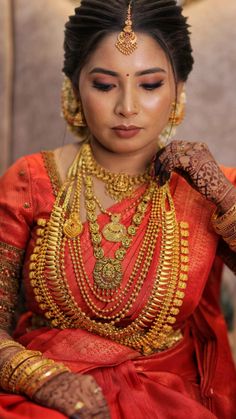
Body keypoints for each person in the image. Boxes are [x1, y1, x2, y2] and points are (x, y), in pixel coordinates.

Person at [0, 0, 235, 418]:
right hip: (47, 391)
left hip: (169, 396)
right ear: (74, 89)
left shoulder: (208, 189)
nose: (127, 107)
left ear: (178, 89)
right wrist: (44, 379)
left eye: (150, 85)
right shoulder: (31, 181)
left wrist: (224, 197)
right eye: (105, 85)